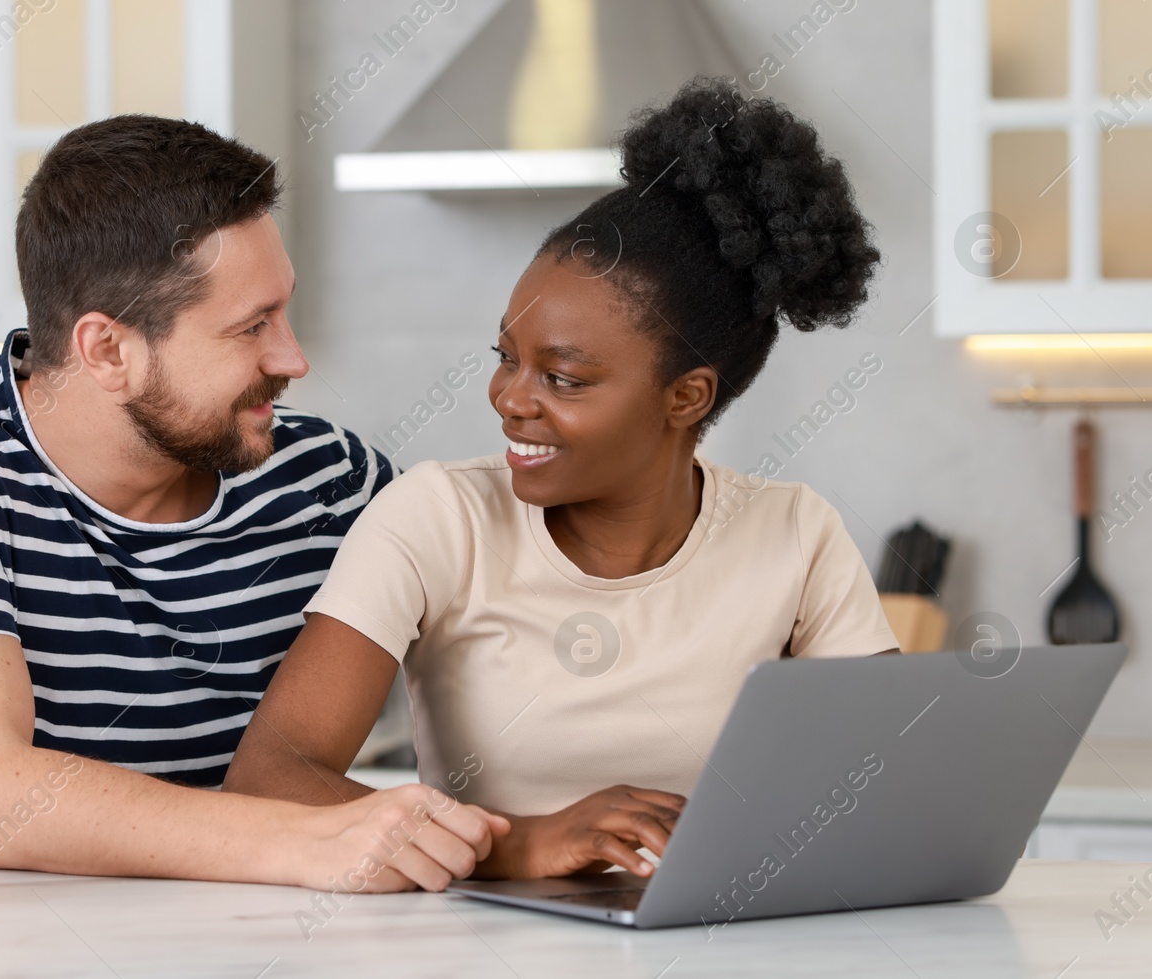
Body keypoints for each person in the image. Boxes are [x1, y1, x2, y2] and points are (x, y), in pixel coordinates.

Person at [224, 79, 900, 881]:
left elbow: (890, 789)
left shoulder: (794, 533)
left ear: (687, 397)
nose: (510, 400)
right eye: (507, 357)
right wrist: (519, 844)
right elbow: (271, 778)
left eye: (565, 379)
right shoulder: (438, 518)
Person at [0, 115, 505, 891]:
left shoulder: (328, 480)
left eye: (283, 310)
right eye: (251, 327)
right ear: (107, 350)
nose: (293, 358)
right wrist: (311, 840)